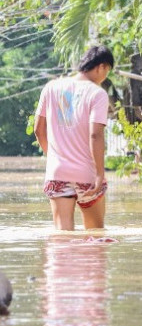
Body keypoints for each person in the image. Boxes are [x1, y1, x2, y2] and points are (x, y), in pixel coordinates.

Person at [34, 45, 114, 230]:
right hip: (86, 173)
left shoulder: (51, 87)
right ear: (101, 66)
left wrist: (53, 158)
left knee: (63, 236)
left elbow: (38, 130)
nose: (105, 76)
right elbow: (95, 135)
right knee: (95, 235)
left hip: (58, 172)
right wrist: (100, 174)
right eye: (107, 71)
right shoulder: (97, 94)